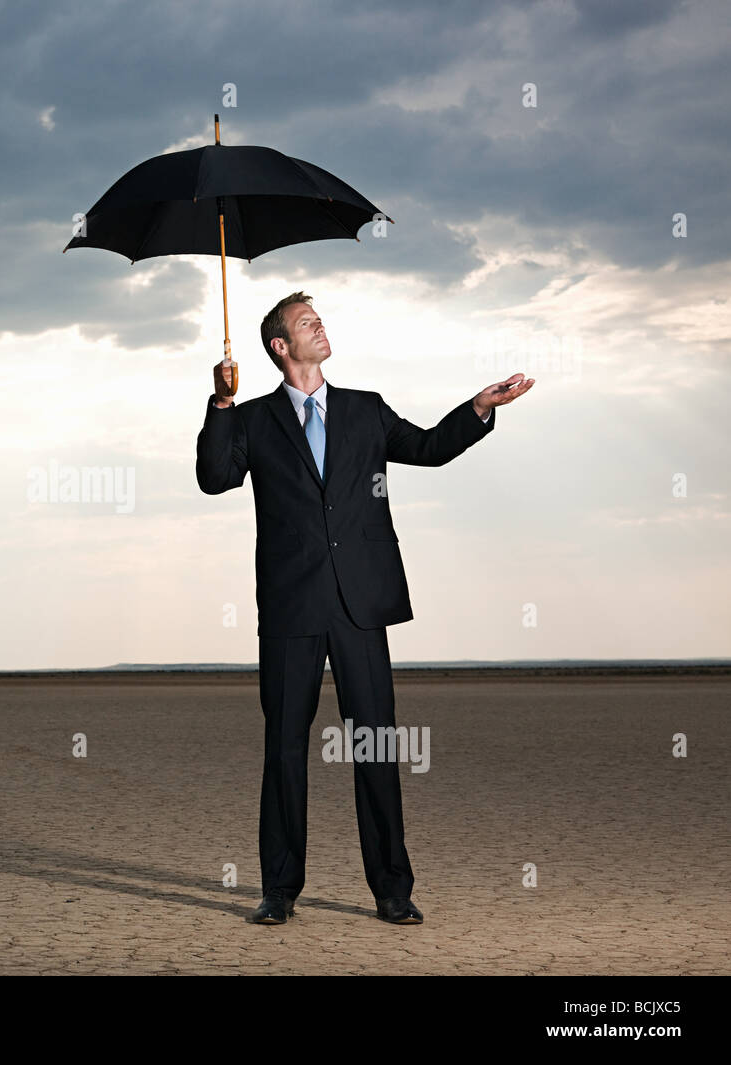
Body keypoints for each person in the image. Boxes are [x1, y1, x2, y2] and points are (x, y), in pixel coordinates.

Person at [195, 291, 534, 925]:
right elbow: (215, 478)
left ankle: (392, 890)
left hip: (362, 604)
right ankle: (278, 891)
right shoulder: (251, 420)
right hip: (293, 605)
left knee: (375, 744)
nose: (320, 330)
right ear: (280, 347)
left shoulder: (364, 410)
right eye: (306, 325)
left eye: (319, 321)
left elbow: (430, 448)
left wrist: (480, 409)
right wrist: (221, 402)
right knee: (284, 749)